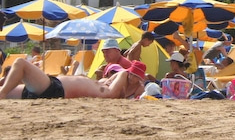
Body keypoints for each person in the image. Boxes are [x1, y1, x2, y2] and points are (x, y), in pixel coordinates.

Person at [1, 58, 147, 99]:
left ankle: (3, 93)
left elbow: (114, 91)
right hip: (49, 88)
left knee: (20, 63)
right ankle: (3, 92)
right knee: (7, 89)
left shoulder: (110, 89)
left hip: (54, 88)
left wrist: (124, 74)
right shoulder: (104, 84)